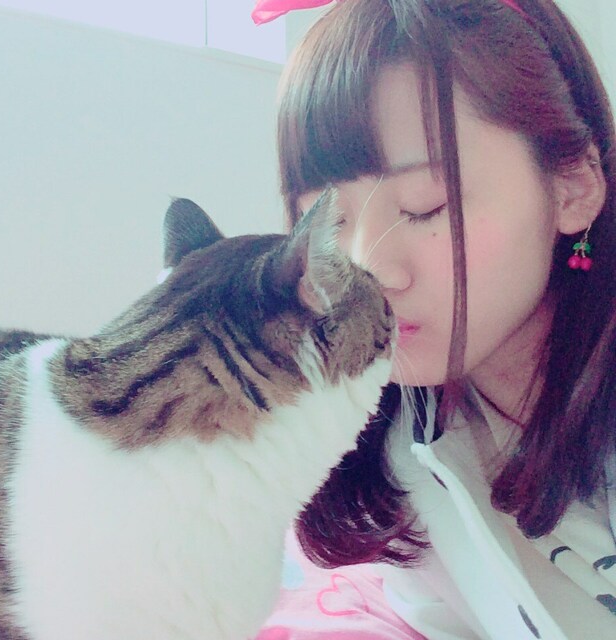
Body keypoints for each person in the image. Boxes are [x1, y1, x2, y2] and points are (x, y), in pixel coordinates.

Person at [253, 0, 616, 638]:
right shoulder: (396, 441)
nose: (367, 270)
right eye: (325, 221)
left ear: (573, 186)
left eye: (425, 206)